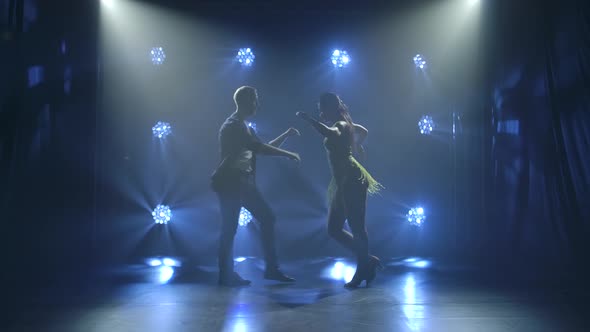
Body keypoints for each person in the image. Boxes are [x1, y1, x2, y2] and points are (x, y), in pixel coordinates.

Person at [214, 86, 300, 287]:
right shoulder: (233, 125)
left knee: (264, 219)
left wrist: (285, 136)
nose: (257, 104)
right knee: (230, 229)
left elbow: (260, 149)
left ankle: (269, 269)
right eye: (255, 100)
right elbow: (260, 148)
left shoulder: (245, 127)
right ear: (245, 101)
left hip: (243, 183)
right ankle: (226, 274)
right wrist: (288, 154)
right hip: (230, 183)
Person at [297, 92, 382, 288]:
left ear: (330, 107)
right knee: (334, 229)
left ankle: (362, 270)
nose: (320, 112)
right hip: (342, 180)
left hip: (352, 179)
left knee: (357, 227)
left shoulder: (340, 125)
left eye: (321, 108)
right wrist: (357, 145)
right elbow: (364, 131)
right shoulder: (345, 123)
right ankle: (368, 260)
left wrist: (309, 120)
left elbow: (331, 133)